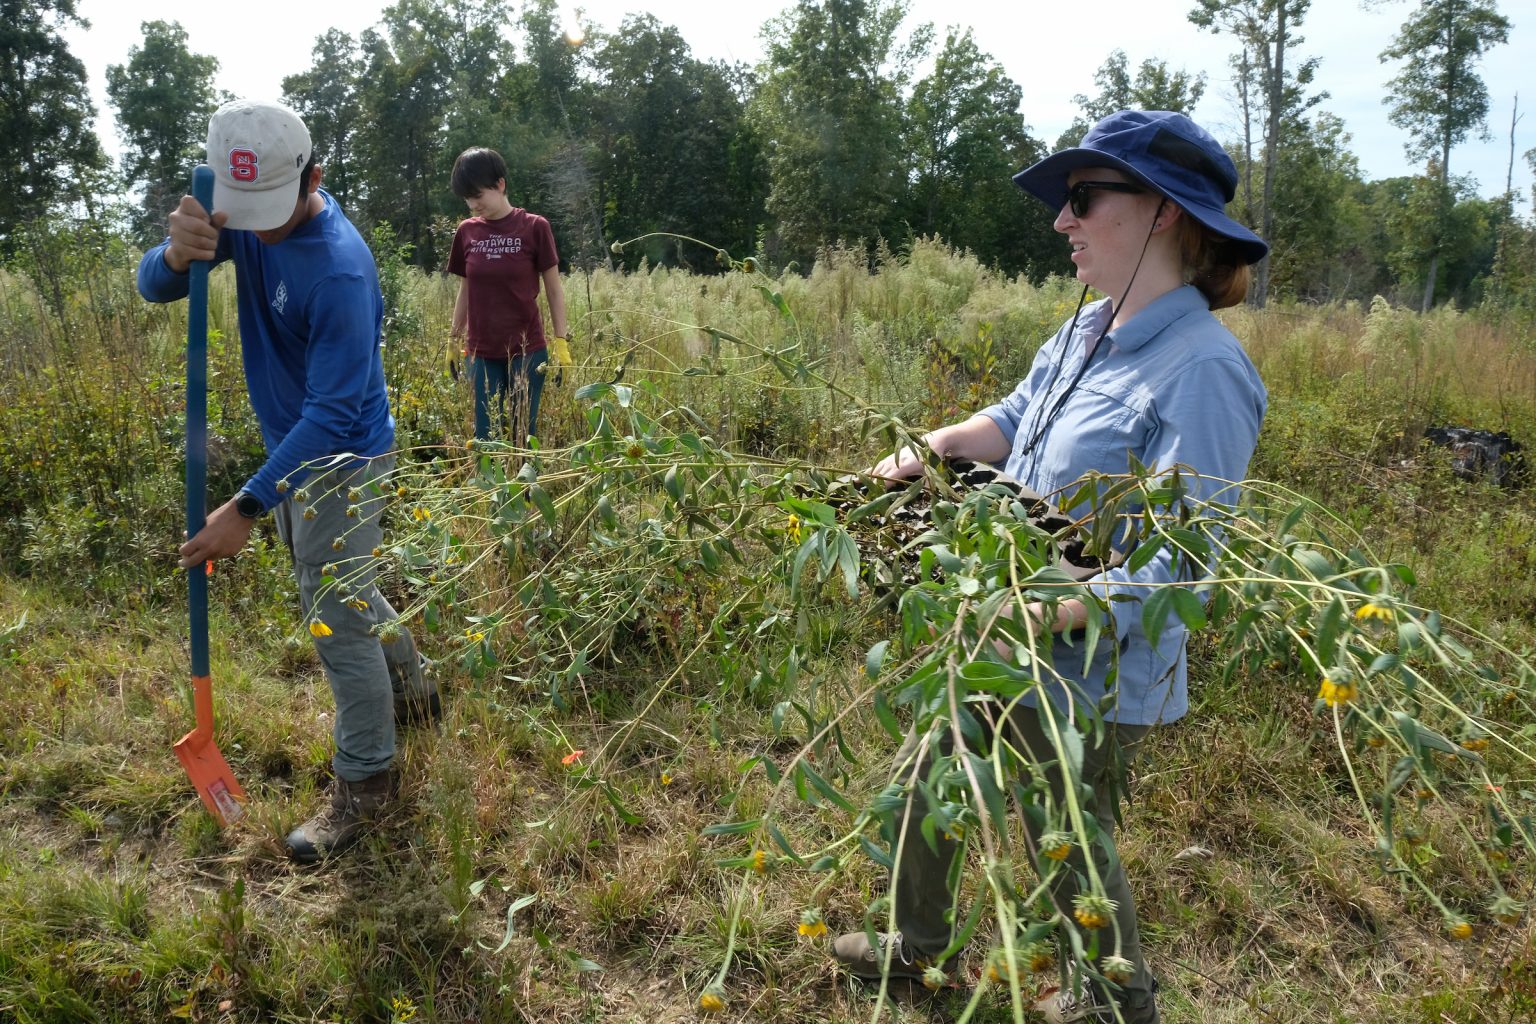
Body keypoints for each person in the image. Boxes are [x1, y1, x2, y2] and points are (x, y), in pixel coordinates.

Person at [831, 110, 1271, 1024]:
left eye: (1081, 199)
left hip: (1087, 671)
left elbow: (1180, 568)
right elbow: (1017, 417)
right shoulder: (1080, 332)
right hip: (1003, 623)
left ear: (1161, 212)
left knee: (1067, 844)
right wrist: (931, 449)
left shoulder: (1205, 371)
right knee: (928, 771)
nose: (1060, 222)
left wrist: (1042, 614)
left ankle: (1113, 1005)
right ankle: (915, 949)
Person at [138, 98, 439, 864]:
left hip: (340, 456)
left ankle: (367, 783)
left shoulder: (339, 269)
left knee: (332, 612)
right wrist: (175, 256)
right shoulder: (238, 212)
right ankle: (417, 689)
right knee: (337, 584)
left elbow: (333, 414)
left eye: (271, 211)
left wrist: (246, 504)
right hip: (296, 447)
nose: (258, 230)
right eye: (245, 215)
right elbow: (156, 288)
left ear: (315, 176)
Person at [447, 147, 571, 443]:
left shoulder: (535, 227)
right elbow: (465, 289)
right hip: (481, 352)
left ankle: (525, 489)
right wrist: (453, 338)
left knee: (522, 433)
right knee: (485, 434)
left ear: (500, 184)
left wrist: (561, 342)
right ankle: (489, 490)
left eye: (478, 195)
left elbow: (554, 290)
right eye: (467, 198)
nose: (472, 204)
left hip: (527, 351)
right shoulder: (466, 232)